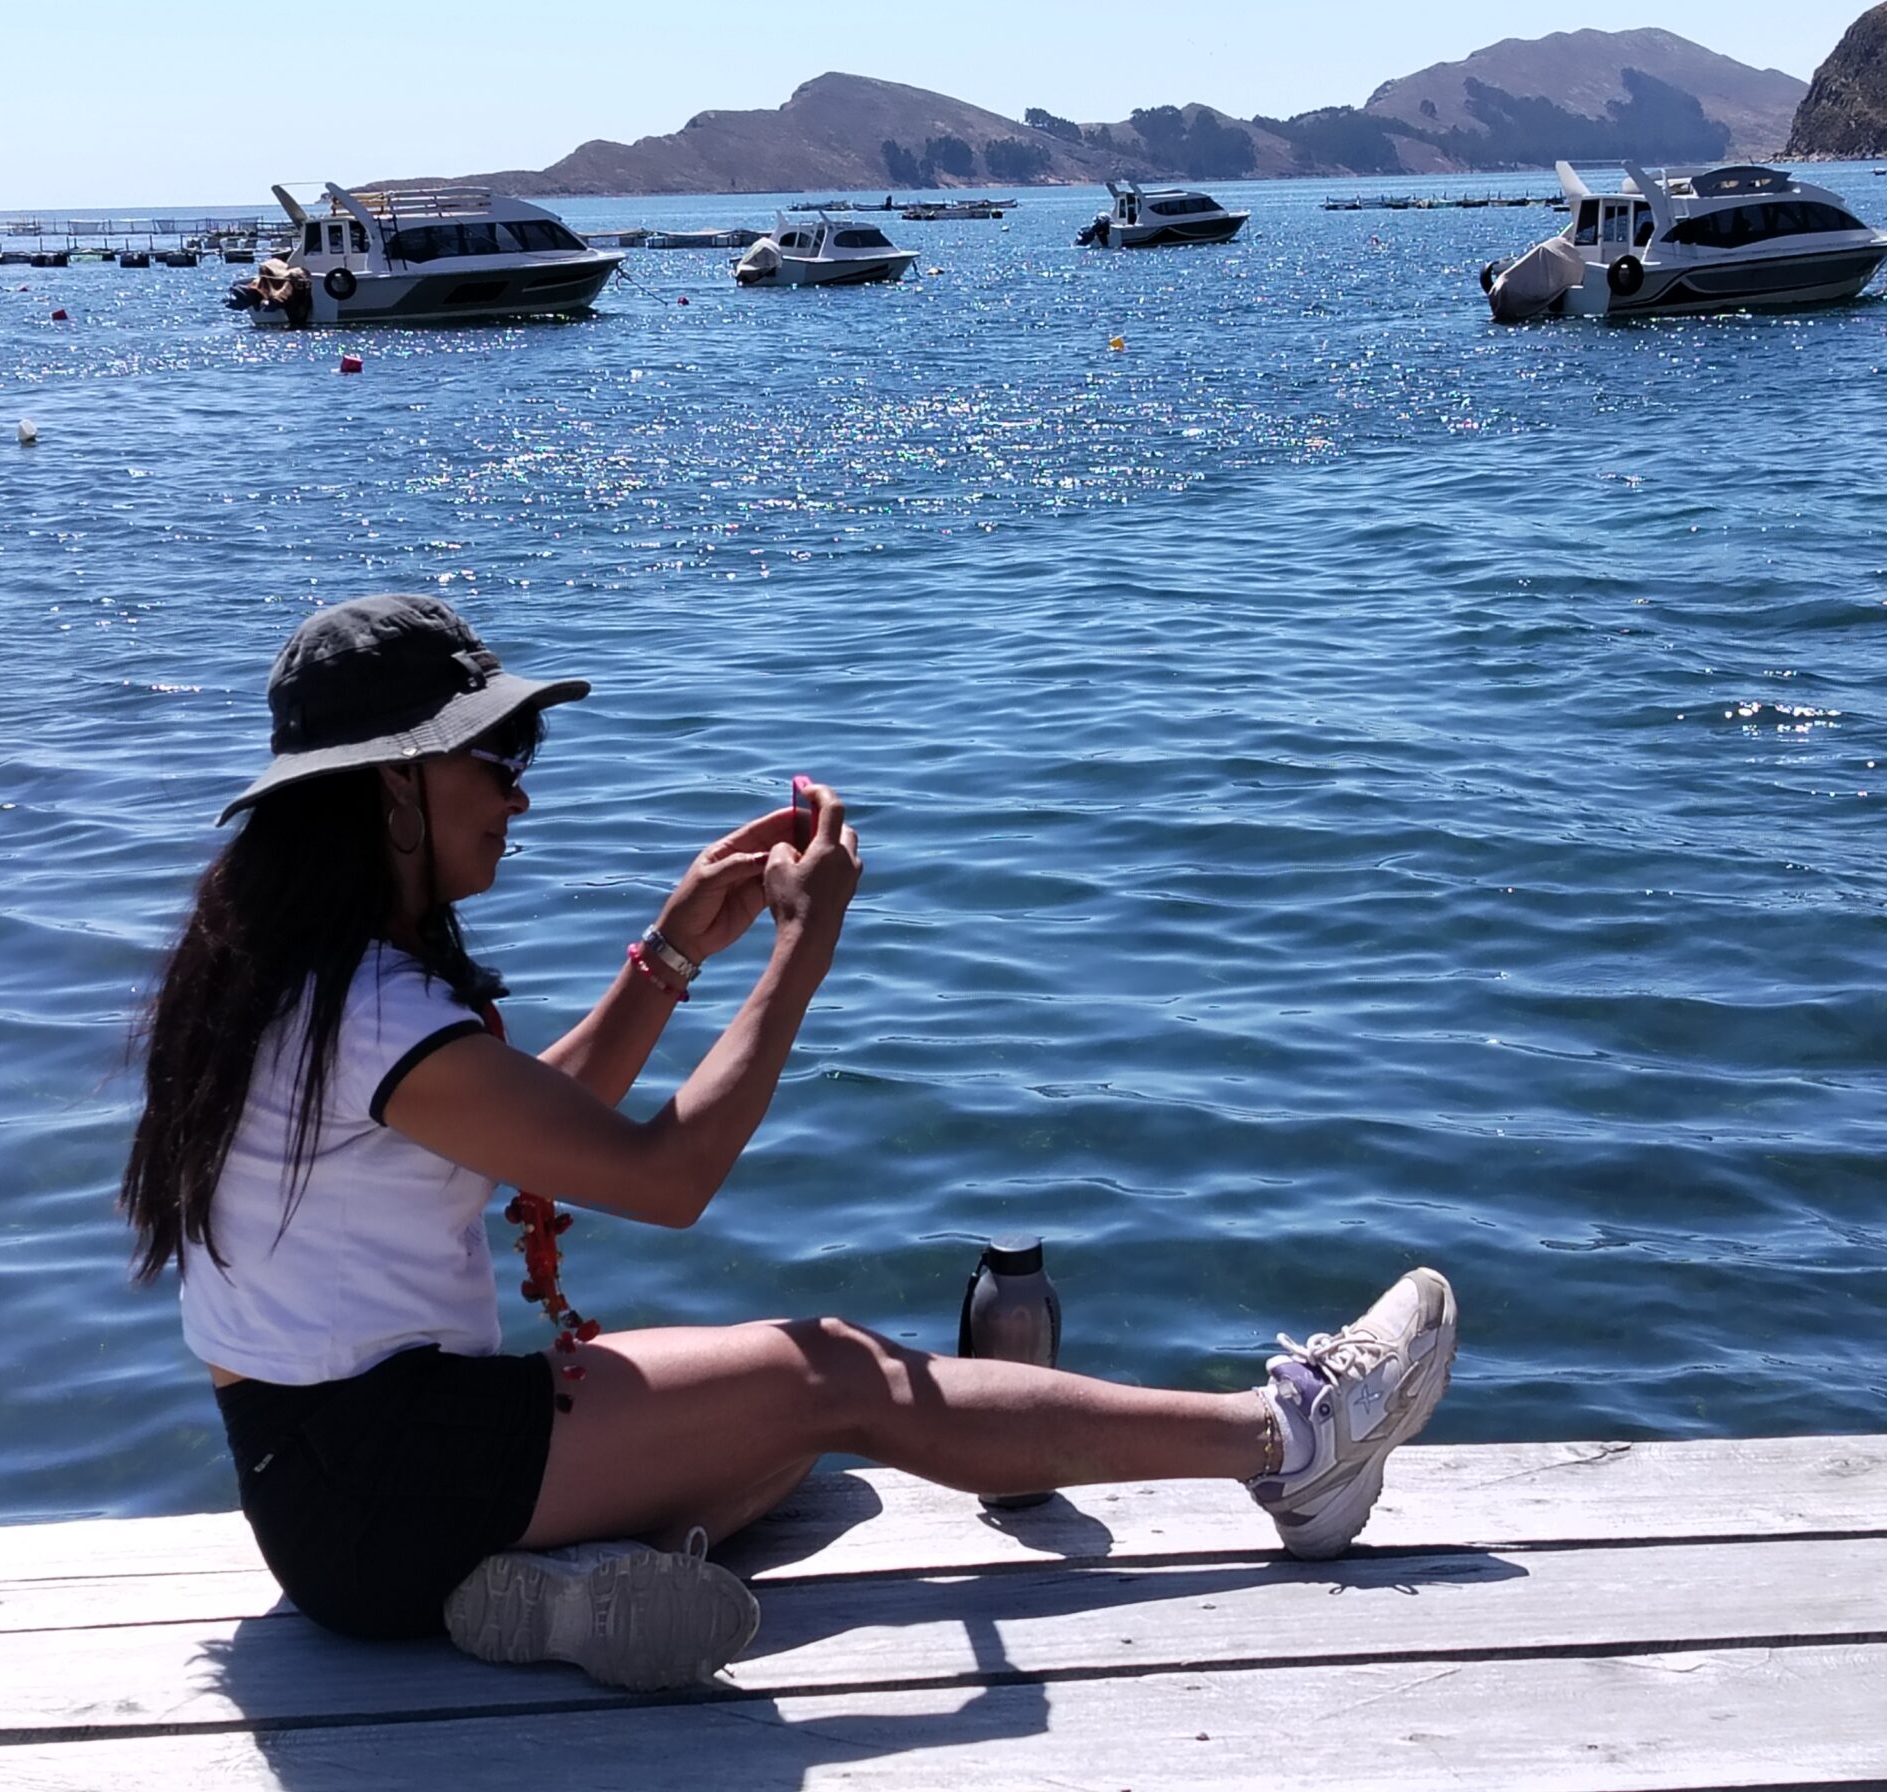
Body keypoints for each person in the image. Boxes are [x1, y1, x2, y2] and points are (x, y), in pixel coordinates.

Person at [121, 594, 1457, 1692]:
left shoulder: (290, 975)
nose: (517, 797)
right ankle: (1293, 1440)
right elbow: (665, 1177)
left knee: (782, 1453)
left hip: (336, 1491)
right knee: (840, 1372)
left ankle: (546, 1592)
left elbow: (518, 1129)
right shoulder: (365, 1006)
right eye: (494, 759)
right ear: (391, 786)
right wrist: (803, 949)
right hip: (389, 1477)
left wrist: (673, 948)